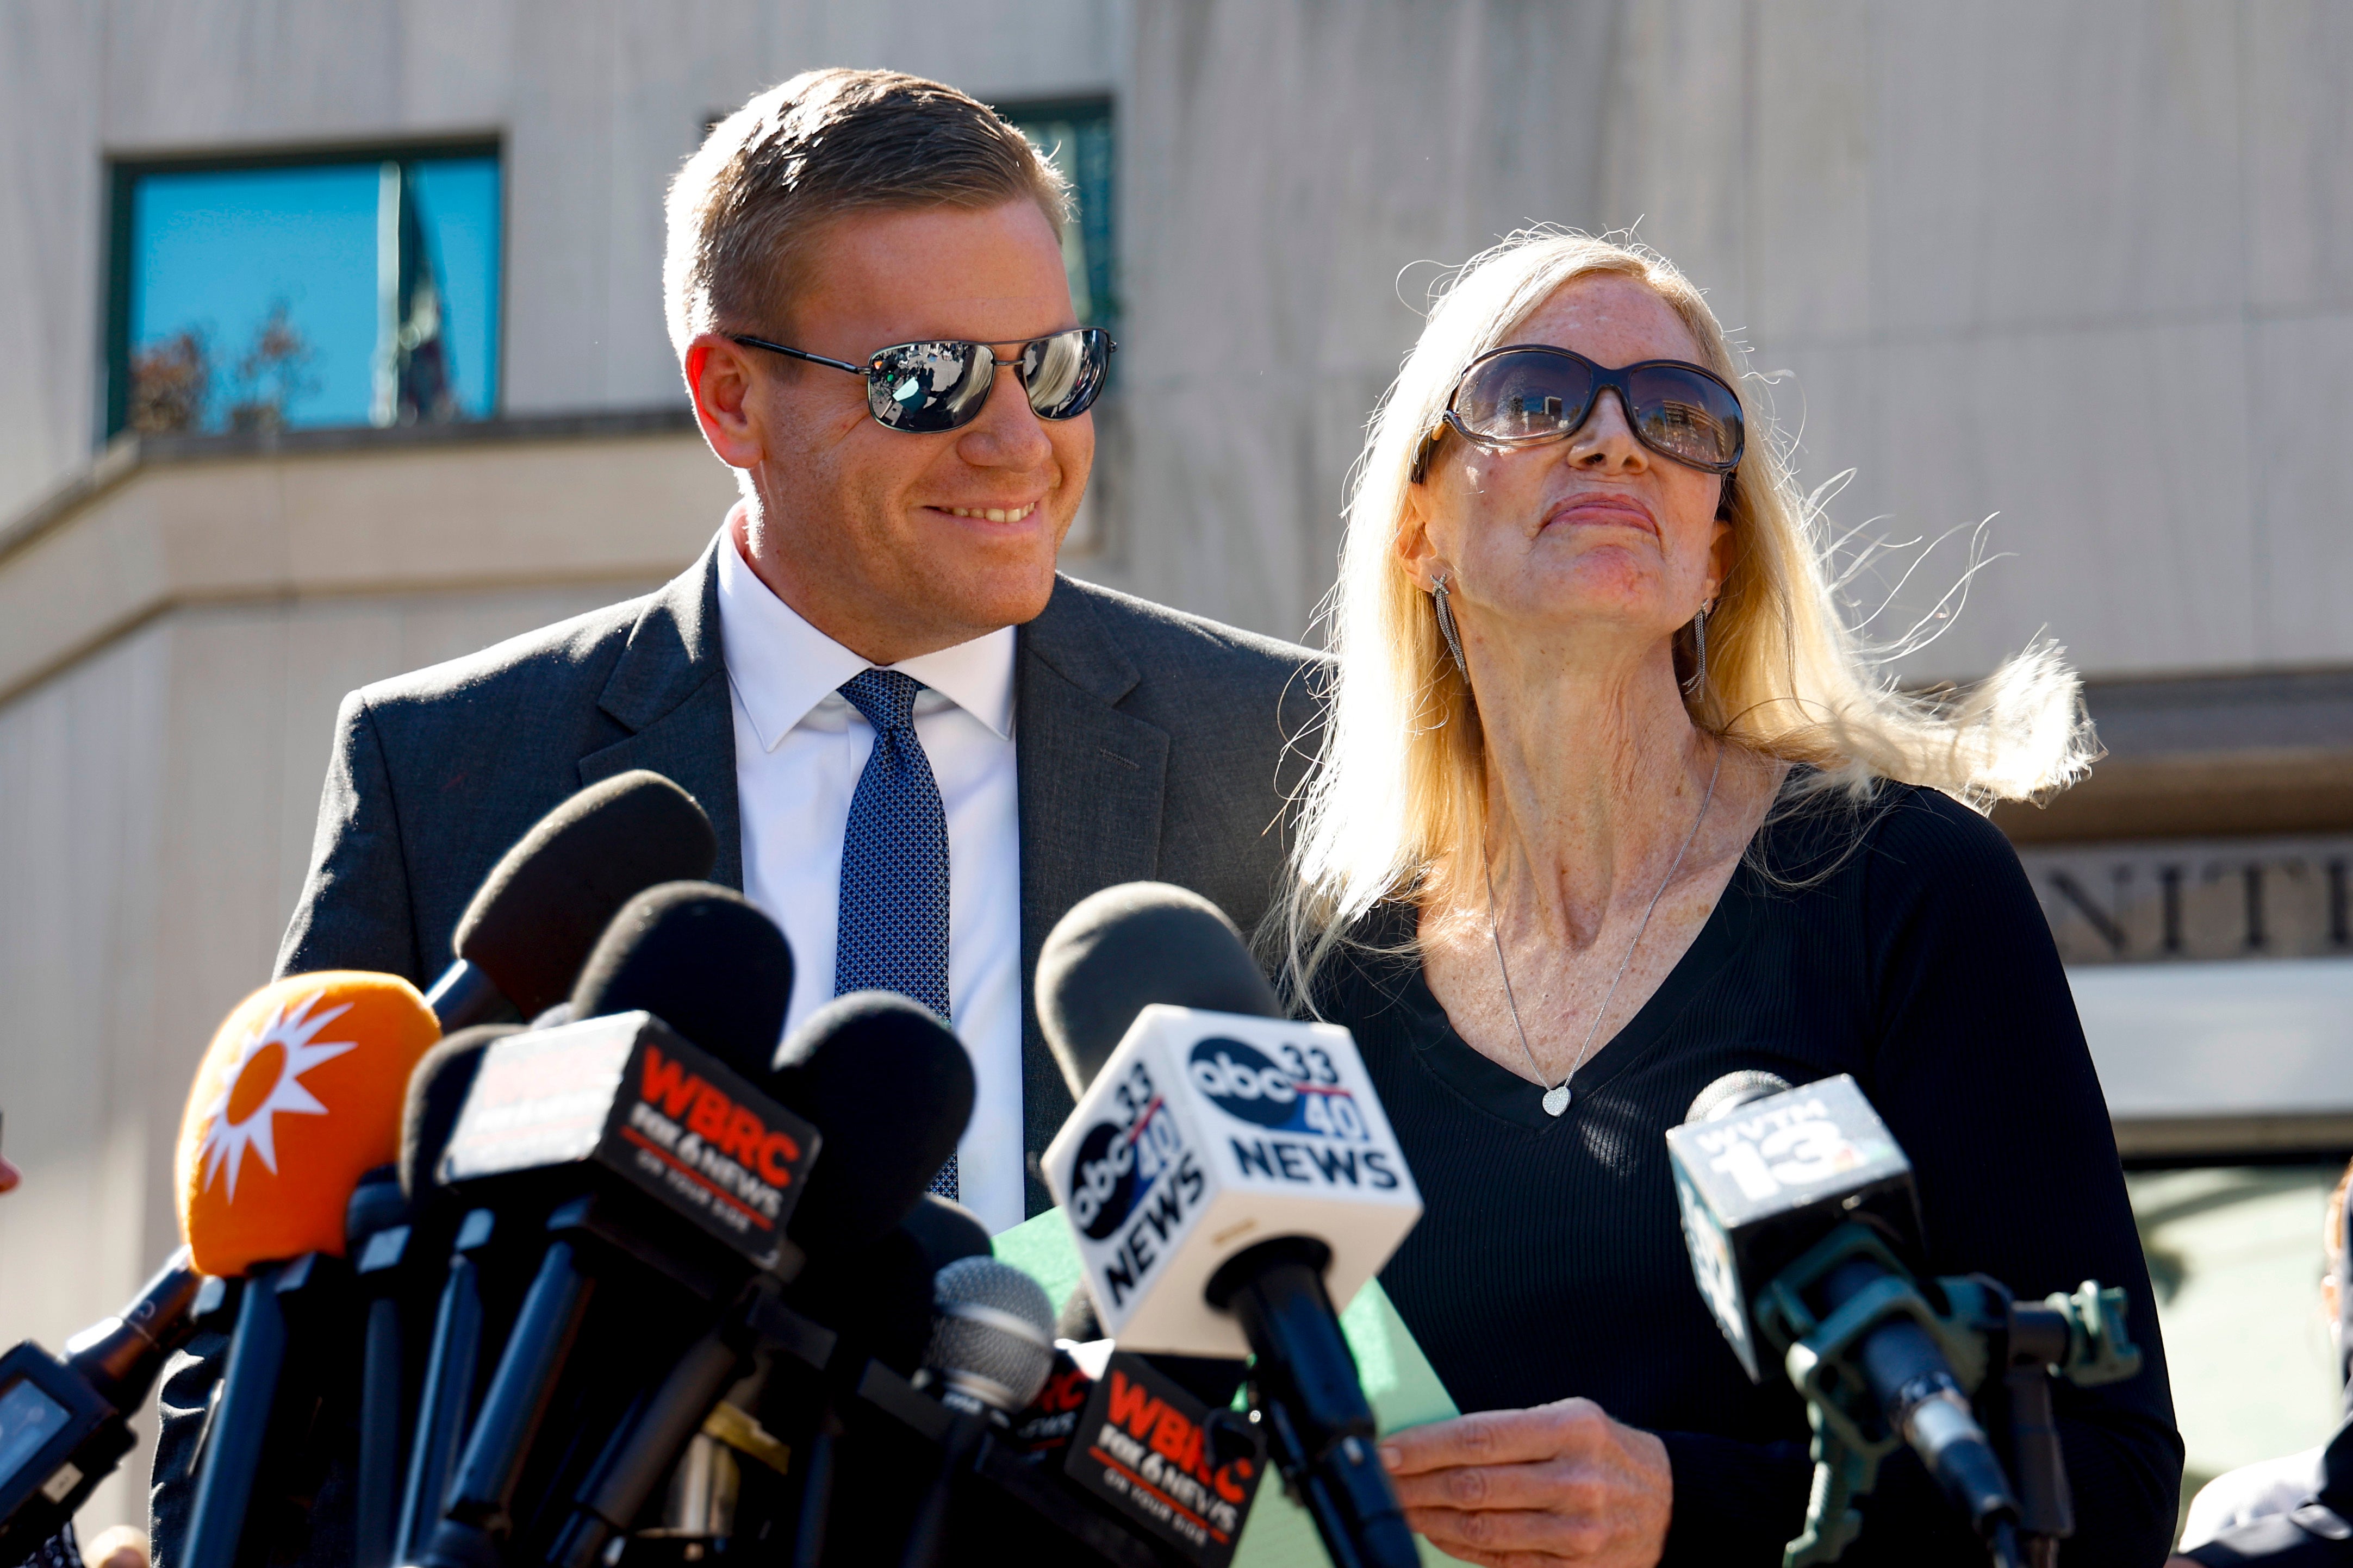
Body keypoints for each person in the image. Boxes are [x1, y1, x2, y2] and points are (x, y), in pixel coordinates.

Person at [151, 68, 1317, 1565]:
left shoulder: (1281, 746)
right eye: (933, 380)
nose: (1022, 441)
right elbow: (256, 1345)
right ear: (729, 398)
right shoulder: (442, 769)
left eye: (1059, 364)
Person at [1269, 229, 2182, 1566]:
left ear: (1715, 555)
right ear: (1418, 527)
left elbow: (2105, 1476)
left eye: (1679, 419)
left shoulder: (1906, 890)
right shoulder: (1325, 979)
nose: (1613, 441)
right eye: (1534, 397)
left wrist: (1686, 1513)